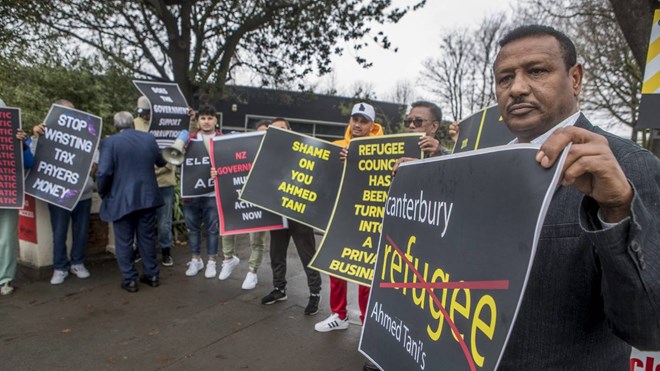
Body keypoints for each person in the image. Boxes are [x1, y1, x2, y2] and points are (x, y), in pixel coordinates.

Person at [422, 25, 660, 369]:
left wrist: (616, 210)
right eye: (505, 78)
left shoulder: (626, 167)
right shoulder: (480, 168)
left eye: (537, 71)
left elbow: (648, 327)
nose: (517, 88)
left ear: (575, 78)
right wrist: (417, 191)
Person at [314, 103, 383, 334]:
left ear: (372, 126)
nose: (357, 125)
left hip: (366, 219)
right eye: (355, 119)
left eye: (363, 121)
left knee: (364, 272)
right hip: (340, 217)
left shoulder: (383, 148)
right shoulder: (336, 147)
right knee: (336, 266)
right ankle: (339, 315)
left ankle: (366, 321)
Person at [97, 111, 166, 293]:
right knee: (147, 238)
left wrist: (104, 193)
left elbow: (103, 173)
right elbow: (160, 161)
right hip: (147, 197)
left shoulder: (109, 142)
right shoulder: (149, 138)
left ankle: (130, 280)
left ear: (115, 126)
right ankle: (152, 275)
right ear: (132, 124)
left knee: (124, 241)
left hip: (121, 199)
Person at [260, 117, 323, 315]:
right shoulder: (267, 153)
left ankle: (314, 294)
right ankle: (279, 289)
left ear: (290, 130)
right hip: (277, 212)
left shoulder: (304, 150)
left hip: (299, 211)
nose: (278, 132)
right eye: (274, 130)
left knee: (308, 254)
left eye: (282, 128)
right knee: (276, 253)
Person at [32, 99, 95, 285]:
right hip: (57, 193)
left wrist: (93, 168)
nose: (73, 115)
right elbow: (35, 158)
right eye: (68, 111)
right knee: (59, 231)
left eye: (74, 111)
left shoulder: (87, 133)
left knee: (81, 230)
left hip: (82, 193)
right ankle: (60, 267)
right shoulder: (45, 132)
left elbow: (95, 162)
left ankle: (78, 263)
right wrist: (36, 136)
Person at [219, 120, 269, 290]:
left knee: (256, 240)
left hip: (261, 202)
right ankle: (229, 258)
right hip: (239, 198)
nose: (263, 135)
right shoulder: (246, 150)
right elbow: (226, 166)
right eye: (260, 132)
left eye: (266, 132)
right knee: (228, 226)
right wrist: (215, 171)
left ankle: (252, 272)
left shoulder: (274, 154)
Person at [134, 96, 176, 266]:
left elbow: (177, 146)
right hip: (144, 181)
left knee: (165, 221)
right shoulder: (134, 124)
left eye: (149, 113)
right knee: (143, 220)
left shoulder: (168, 123)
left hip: (164, 181)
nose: (147, 116)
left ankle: (166, 251)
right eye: (144, 113)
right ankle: (142, 251)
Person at [0, 98, 34, 296]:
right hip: (8, 191)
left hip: (8, 192)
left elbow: (29, 163)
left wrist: (22, 145)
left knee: (6, 239)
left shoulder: (19, 137)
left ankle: (5, 279)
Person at [184, 104, 222, 279]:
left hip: (213, 193)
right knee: (193, 229)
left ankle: (212, 261)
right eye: (203, 118)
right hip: (192, 192)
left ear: (216, 120)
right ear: (198, 121)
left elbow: (229, 165)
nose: (206, 122)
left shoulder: (222, 139)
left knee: (213, 229)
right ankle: (195, 259)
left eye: (210, 118)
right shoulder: (188, 140)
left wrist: (220, 170)